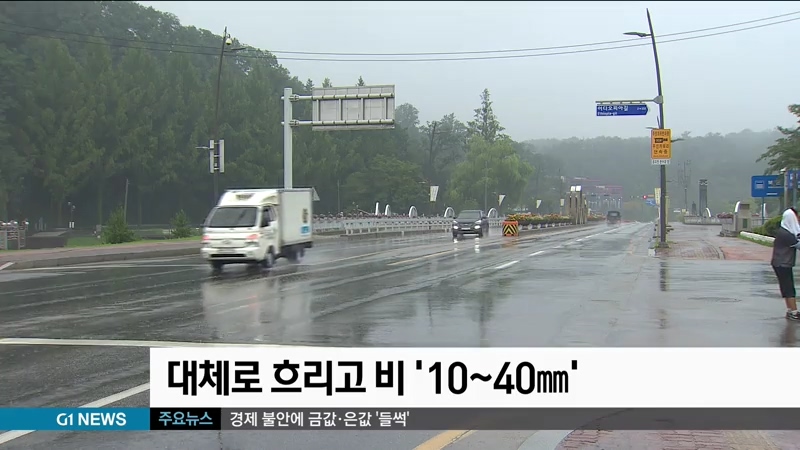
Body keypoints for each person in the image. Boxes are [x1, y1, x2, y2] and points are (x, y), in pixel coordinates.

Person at [771, 208, 800, 321]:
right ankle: (794, 312)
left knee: (786, 287)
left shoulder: (785, 230)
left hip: (780, 263)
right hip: (782, 264)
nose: (798, 219)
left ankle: (790, 310)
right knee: (789, 288)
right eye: (796, 217)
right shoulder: (786, 234)